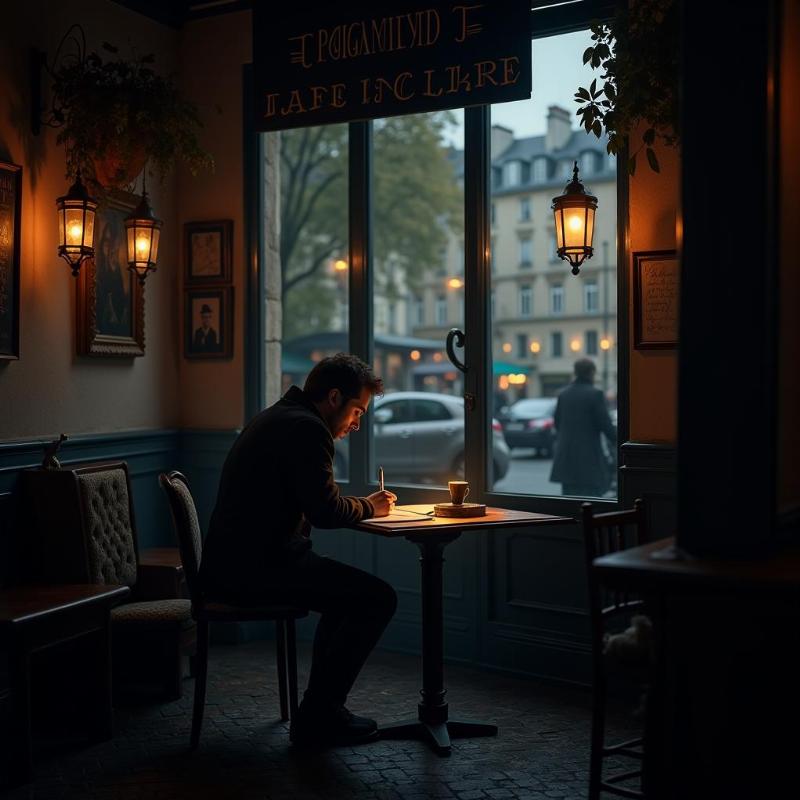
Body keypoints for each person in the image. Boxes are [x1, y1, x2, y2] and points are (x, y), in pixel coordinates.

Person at [199, 353, 398, 747]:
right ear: (334, 397)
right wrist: (369, 506)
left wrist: (354, 503)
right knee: (378, 599)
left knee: (347, 598)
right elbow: (324, 511)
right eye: (357, 410)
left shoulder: (280, 416)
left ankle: (319, 712)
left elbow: (318, 501)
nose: (357, 424)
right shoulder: (308, 429)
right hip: (256, 570)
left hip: (237, 564)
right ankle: (321, 714)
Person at [549, 358, 617, 497]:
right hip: (588, 459)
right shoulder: (595, 394)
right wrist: (620, 439)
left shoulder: (564, 394)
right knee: (591, 501)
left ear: (575, 372)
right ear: (591, 372)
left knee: (569, 501)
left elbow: (557, 423)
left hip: (566, 457)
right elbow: (605, 425)